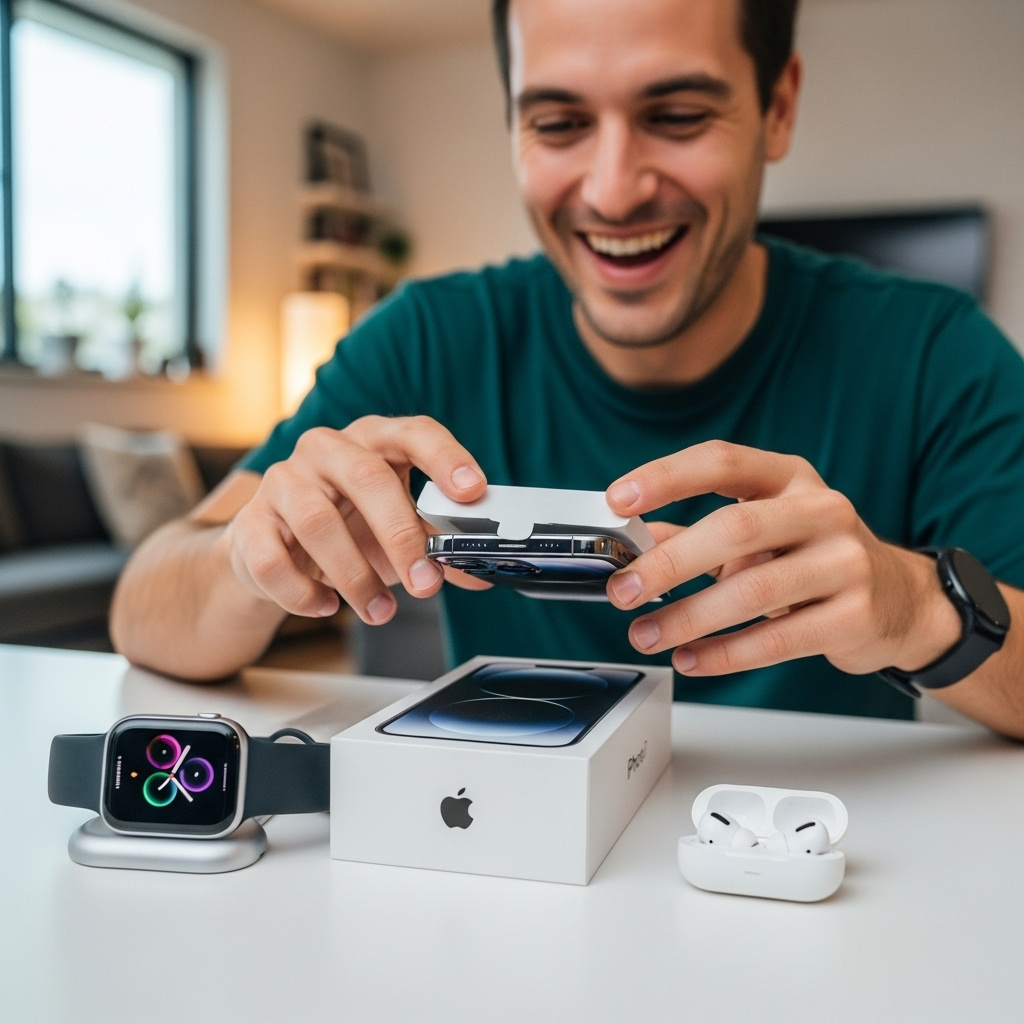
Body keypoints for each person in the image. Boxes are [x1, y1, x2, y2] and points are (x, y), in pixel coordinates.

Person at [111, 0, 1024, 736]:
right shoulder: (428, 336)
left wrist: (916, 607)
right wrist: (249, 551)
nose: (613, 189)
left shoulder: (935, 352)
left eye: (676, 115)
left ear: (777, 107)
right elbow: (144, 609)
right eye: (558, 123)